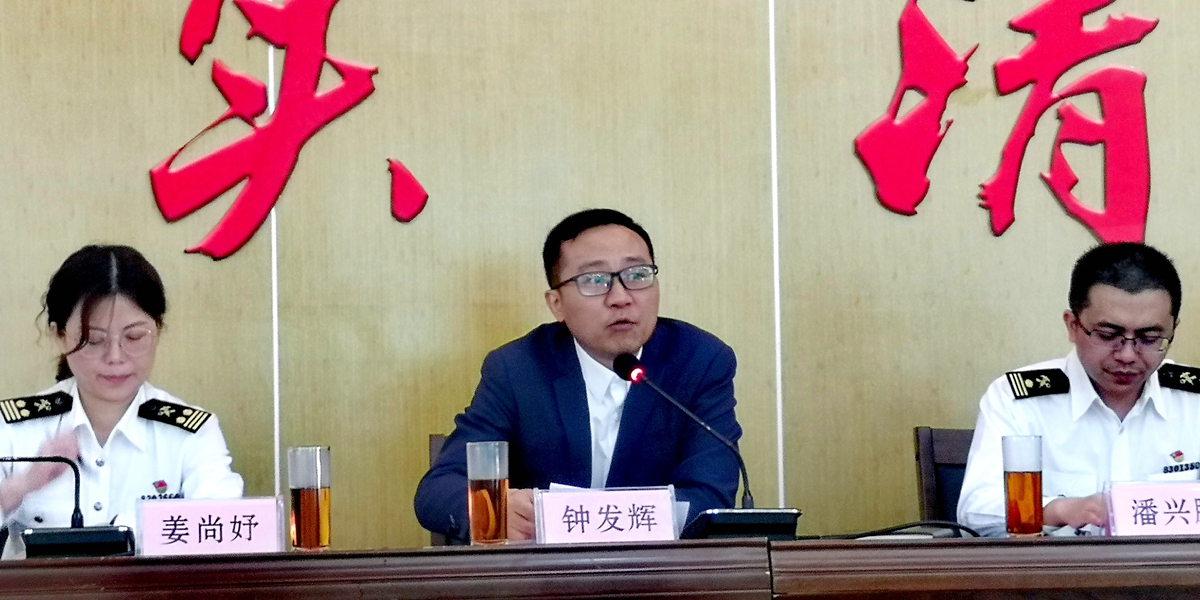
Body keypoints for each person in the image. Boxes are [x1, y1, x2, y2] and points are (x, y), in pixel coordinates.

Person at [414, 208, 743, 543]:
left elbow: (709, 496)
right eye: (595, 281)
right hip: (544, 573)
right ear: (556, 303)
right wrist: (496, 513)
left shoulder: (700, 362)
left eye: (637, 274)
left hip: (656, 572)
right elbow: (439, 490)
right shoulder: (517, 369)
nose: (621, 297)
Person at [0, 245, 244, 558]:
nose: (115, 357)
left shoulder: (191, 433)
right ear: (59, 336)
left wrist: (132, 526)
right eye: (94, 340)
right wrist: (22, 486)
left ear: (158, 330)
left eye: (134, 337)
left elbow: (224, 530)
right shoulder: (14, 428)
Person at [957, 242, 1200, 535]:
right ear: (1073, 325)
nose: (1127, 355)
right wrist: (1060, 510)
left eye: (1149, 338)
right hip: (1058, 564)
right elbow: (977, 511)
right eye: (1108, 335)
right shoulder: (1019, 401)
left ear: (1173, 329)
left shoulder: (1193, 400)